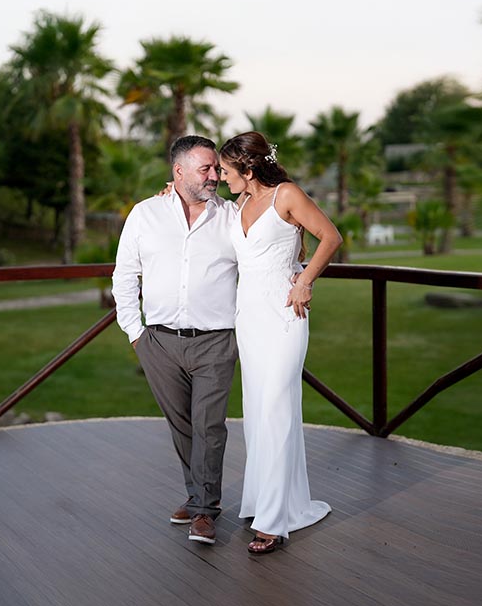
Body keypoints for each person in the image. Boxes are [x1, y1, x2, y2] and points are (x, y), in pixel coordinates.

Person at [111, 135, 239, 546]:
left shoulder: (232, 216)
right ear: (178, 171)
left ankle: (204, 511)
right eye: (206, 169)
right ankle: (197, 494)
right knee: (182, 425)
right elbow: (124, 274)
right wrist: (135, 333)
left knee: (209, 426)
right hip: (160, 343)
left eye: (216, 168)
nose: (215, 176)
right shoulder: (145, 214)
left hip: (216, 341)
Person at [218, 131, 342, 555]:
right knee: (257, 413)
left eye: (227, 170)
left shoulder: (286, 195)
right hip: (248, 319)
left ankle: (272, 523)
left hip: (285, 316)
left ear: (248, 169)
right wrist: (170, 193)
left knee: (275, 408)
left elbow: (331, 237)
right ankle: (266, 503)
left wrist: (305, 280)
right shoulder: (237, 203)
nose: (222, 176)